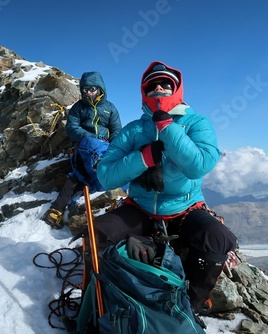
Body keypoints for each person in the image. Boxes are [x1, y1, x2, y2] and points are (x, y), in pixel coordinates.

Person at [95, 61, 238, 315]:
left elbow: (199, 165)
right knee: (99, 233)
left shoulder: (196, 123)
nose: (158, 88)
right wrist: (144, 158)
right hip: (141, 207)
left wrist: (167, 128)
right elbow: (105, 176)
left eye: (165, 84)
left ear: (176, 89)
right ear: (144, 92)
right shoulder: (134, 130)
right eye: (152, 86)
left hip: (184, 208)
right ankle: (109, 302)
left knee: (218, 237)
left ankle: (191, 307)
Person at [42, 71, 122, 229]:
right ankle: (55, 210)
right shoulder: (78, 108)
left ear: (100, 89)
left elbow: (117, 130)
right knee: (77, 176)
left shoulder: (110, 108)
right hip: (83, 149)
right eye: (85, 90)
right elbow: (72, 128)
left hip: (106, 149)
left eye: (92, 89)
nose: (89, 93)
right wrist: (91, 138)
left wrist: (113, 147)